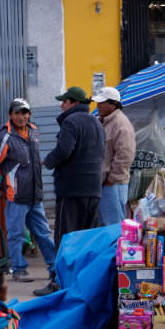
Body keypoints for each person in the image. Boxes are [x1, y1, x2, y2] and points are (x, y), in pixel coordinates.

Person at [37, 86, 105, 296]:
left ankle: (58, 283)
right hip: (93, 188)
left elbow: (64, 149)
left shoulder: (71, 121)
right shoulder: (96, 122)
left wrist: (47, 161)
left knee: (66, 238)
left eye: (64, 102)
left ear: (74, 103)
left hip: (72, 188)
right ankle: (85, 282)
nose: (61, 105)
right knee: (88, 237)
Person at [0, 98, 56, 283]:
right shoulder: (5, 136)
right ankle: (18, 270)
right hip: (16, 196)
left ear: (29, 114)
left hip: (35, 195)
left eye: (24, 113)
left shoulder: (32, 131)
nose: (21, 116)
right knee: (17, 235)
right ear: (10, 115)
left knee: (44, 234)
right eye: (17, 113)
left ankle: (54, 268)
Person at [93, 86, 135, 226]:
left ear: (114, 104)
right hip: (104, 183)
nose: (98, 105)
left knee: (114, 225)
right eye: (98, 102)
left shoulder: (120, 123)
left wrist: (112, 179)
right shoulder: (102, 121)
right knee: (105, 224)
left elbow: (125, 154)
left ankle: (117, 249)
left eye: (103, 102)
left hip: (113, 184)